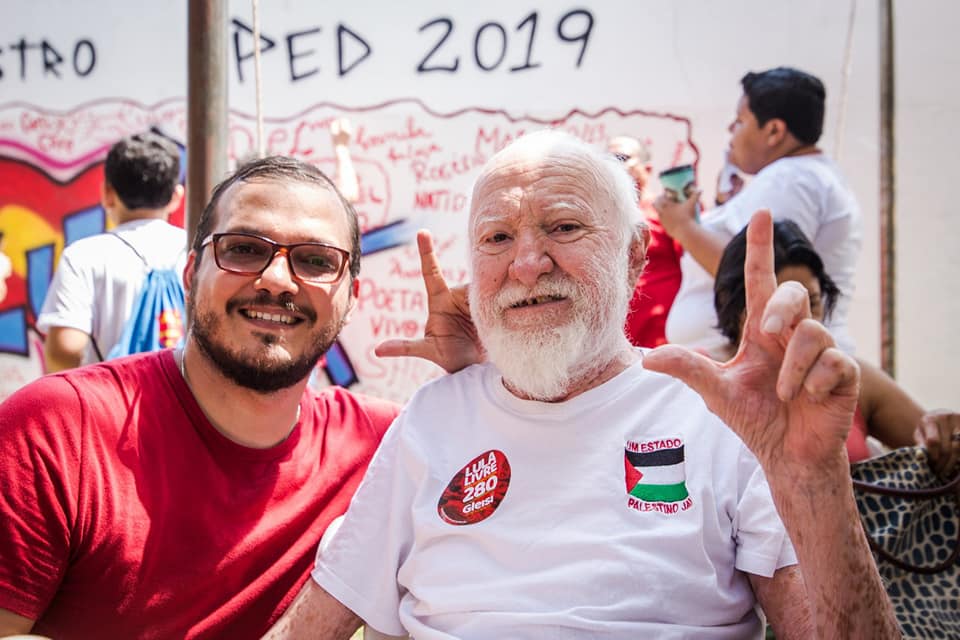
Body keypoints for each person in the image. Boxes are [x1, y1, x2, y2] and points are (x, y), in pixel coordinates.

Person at [266, 130, 899, 639]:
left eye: (564, 228)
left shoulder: (720, 416)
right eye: (497, 238)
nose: (526, 263)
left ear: (632, 255)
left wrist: (814, 484)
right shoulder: (434, 416)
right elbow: (314, 625)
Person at [0, 157, 403, 638]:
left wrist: (477, 367)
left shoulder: (384, 446)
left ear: (351, 297)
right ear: (190, 273)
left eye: (316, 260)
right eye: (244, 249)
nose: (276, 279)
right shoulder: (56, 430)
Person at [714, 219, 960, 474]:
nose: (800, 320)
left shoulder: (852, 380)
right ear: (733, 306)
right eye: (777, 305)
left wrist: (944, 434)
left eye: (813, 303)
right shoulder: (700, 381)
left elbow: (942, 449)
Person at [657, 66, 862, 357]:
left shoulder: (791, 178)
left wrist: (683, 228)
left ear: (774, 131)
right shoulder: (799, 177)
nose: (731, 130)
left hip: (771, 368)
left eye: (740, 121)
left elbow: (764, 276)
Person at [37, 132, 188, 371]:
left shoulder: (83, 256)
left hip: (111, 402)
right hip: (184, 401)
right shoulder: (197, 253)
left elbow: (66, 348)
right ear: (176, 196)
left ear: (107, 194)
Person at [607, 135, 683, 348]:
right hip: (616, 337)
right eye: (607, 159)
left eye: (621, 157)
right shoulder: (601, 217)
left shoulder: (668, 211)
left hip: (662, 333)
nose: (613, 165)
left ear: (647, 169)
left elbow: (694, 269)